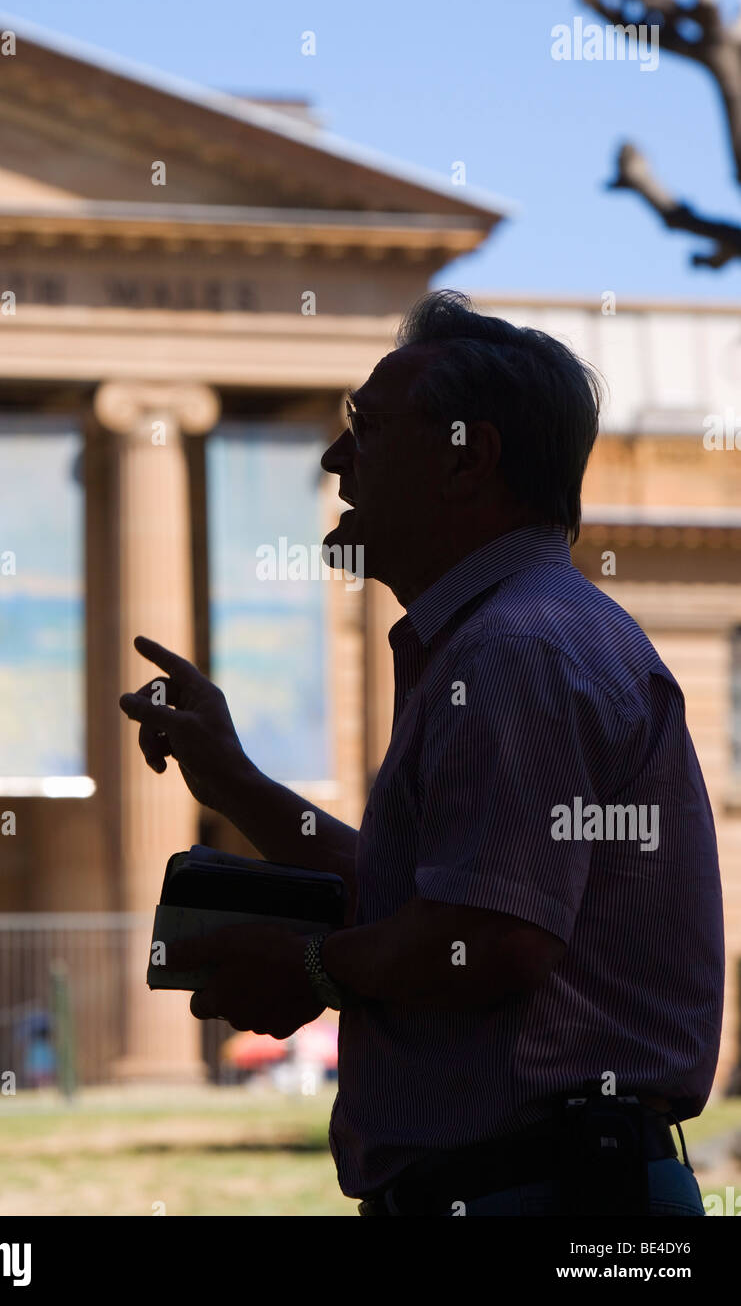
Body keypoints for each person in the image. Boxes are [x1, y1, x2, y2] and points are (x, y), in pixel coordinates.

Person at [119, 289, 724, 1217]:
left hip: (541, 1197)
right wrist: (233, 781)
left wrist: (311, 971)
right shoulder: (508, 637)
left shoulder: (516, 651)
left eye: (366, 427)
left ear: (464, 460)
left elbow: (494, 941)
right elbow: (436, 901)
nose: (333, 456)